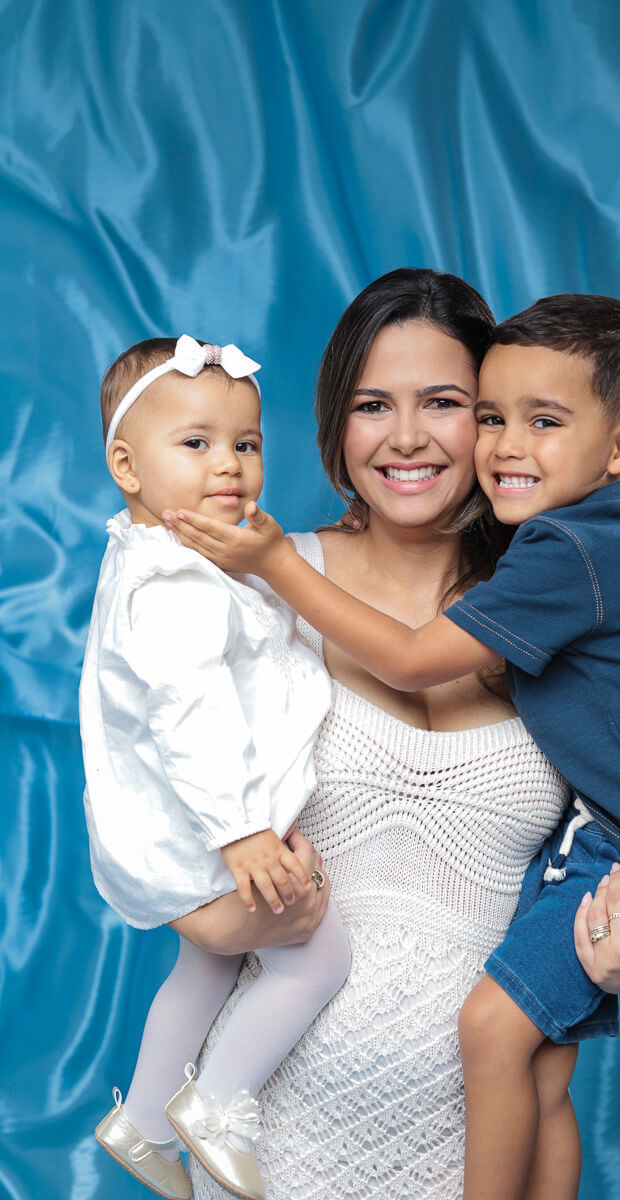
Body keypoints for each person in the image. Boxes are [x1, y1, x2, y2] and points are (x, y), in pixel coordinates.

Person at [166, 272, 620, 1200]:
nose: (406, 437)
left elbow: (617, 877)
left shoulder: (568, 610)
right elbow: (158, 850)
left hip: (486, 1158)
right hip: (270, 1146)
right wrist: (229, 908)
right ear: (336, 423)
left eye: (445, 404)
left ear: (492, 420)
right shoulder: (259, 586)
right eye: (373, 404)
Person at [80, 335, 350, 1200]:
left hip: (177, 828)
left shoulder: (159, 553)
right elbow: (189, 715)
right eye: (194, 444)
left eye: (246, 443)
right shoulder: (174, 588)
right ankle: (219, 1100)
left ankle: (146, 1118)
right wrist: (240, 831)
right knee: (315, 955)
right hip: (203, 829)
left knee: (208, 965)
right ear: (127, 464)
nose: (228, 465)